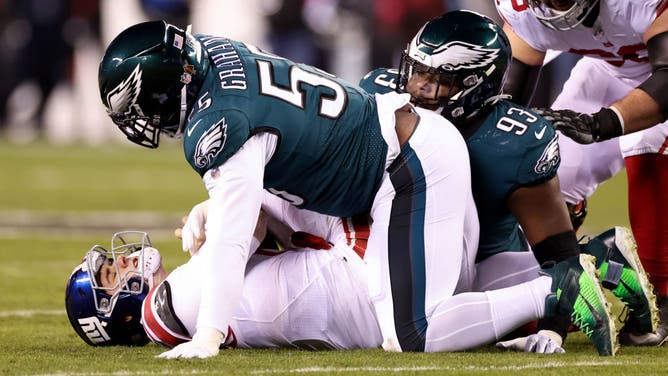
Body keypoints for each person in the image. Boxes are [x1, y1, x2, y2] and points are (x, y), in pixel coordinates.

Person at [97, 19, 478, 358]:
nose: (141, 119)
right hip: (379, 146)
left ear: (165, 88)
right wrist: (215, 208)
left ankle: (536, 298)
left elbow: (234, 238)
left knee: (412, 333)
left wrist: (209, 333)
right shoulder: (213, 50)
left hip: (396, 167)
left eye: (138, 106)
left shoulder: (218, 122)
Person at [357, 9, 656, 354]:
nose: (418, 87)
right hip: (406, 240)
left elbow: (559, 257)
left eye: (438, 77)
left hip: (482, 254)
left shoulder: (510, 141)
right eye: (416, 70)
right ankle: (601, 255)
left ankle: (604, 262)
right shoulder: (378, 94)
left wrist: (552, 330)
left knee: (475, 321)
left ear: (474, 83)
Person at [66, 202, 610, 355]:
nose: (126, 262)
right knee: (291, 185)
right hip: (347, 282)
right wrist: (221, 206)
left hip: (333, 304)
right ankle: (556, 278)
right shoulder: (173, 300)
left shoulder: (180, 309)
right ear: (113, 311)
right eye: (113, 273)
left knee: (456, 286)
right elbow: (253, 221)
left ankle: (583, 267)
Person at [495, 0, 668, 346]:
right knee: (546, 168)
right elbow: (507, 96)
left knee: (647, 144)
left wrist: (605, 122)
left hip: (661, 76)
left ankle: (664, 299)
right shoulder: (523, 10)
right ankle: (564, 286)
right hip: (611, 69)